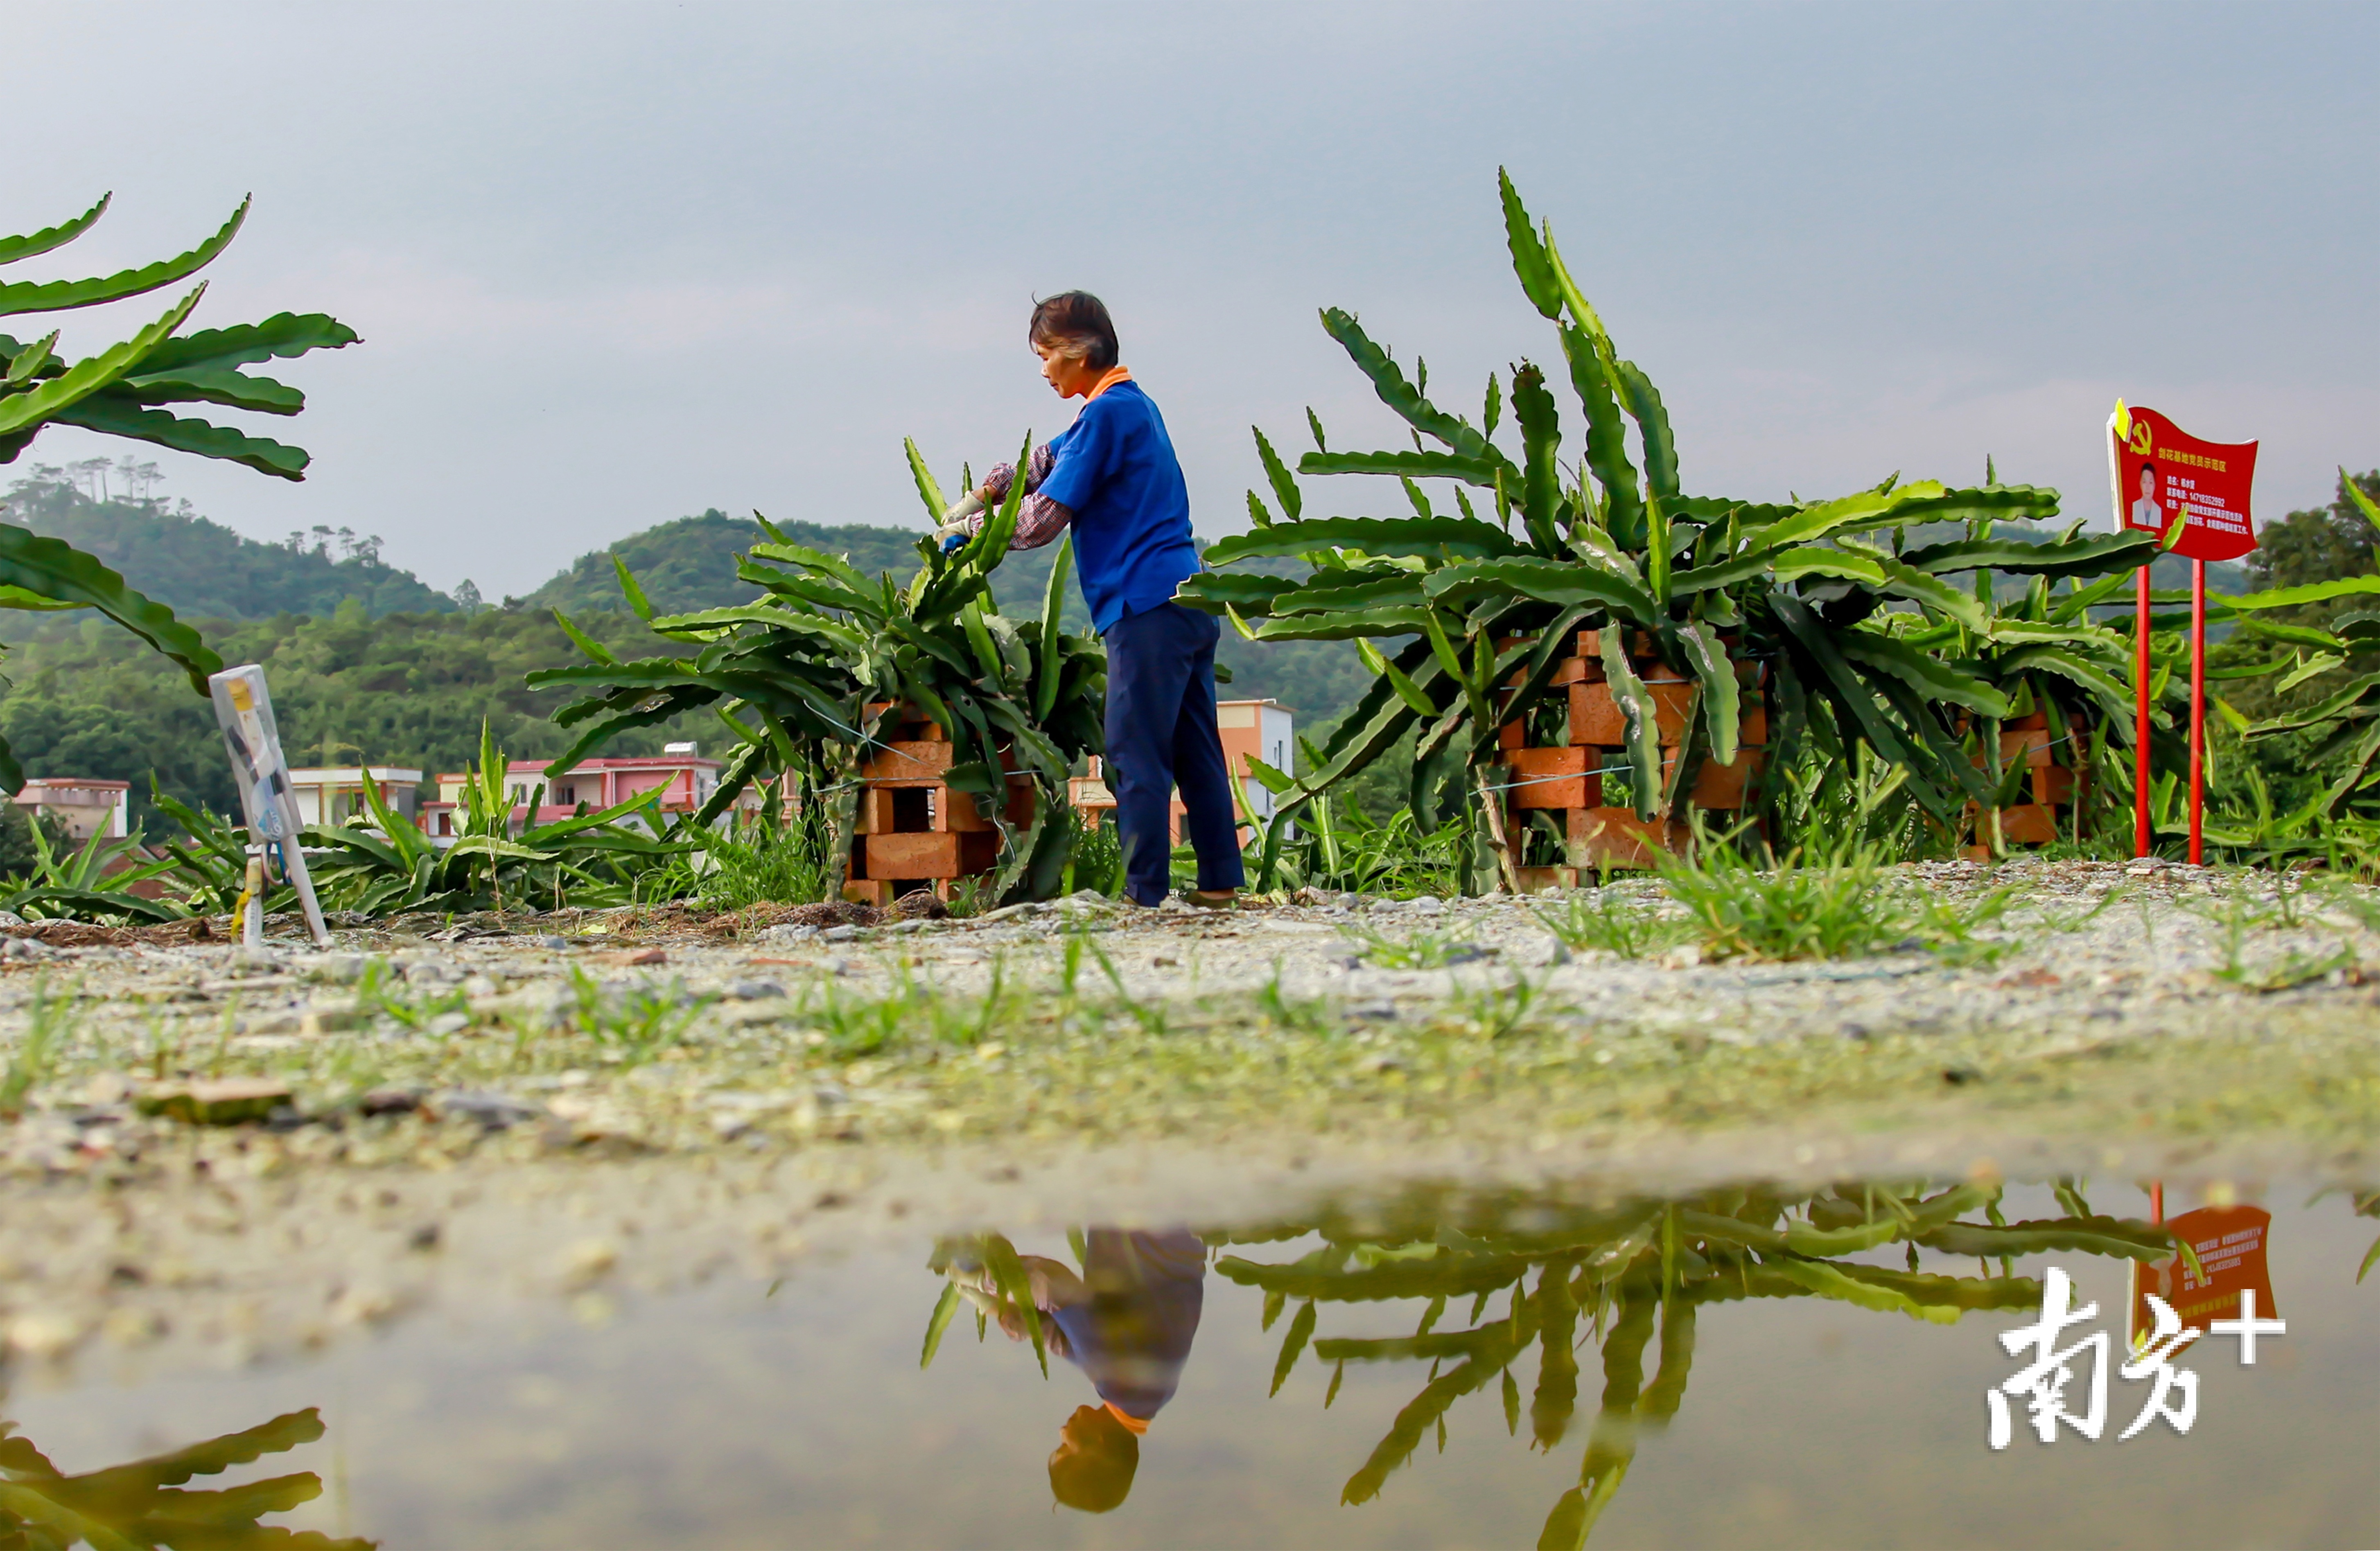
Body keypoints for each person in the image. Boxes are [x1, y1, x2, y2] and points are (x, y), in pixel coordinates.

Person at [939, 292, 1243, 910]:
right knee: (1196, 750)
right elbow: (1042, 460)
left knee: (1134, 752)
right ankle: (1218, 886)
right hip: (1187, 598)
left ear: (1079, 351)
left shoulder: (1106, 417)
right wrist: (981, 493)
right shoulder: (1126, 407)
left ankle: (1144, 896)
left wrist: (964, 536)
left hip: (1143, 603)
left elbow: (1042, 519)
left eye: (1048, 355)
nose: (1045, 369)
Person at [944, 1227, 1208, 1515]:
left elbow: (1073, 1343)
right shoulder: (1122, 1385)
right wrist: (988, 1281)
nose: (1061, 1431)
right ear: (1097, 1446)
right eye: (1065, 1448)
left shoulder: (1145, 1396)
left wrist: (1004, 1314)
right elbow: (1054, 1283)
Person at [2131, 462, 2164, 532]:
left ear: (2155, 485)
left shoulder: (2159, 510)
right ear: (2140, 484)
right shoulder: (2134, 506)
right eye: (2144, 482)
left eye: (2151, 483)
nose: (2148, 488)